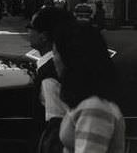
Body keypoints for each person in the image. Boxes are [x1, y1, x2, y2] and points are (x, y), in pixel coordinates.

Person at [53, 21, 125, 153]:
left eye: (55, 53)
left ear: (70, 57)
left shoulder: (94, 108)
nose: (54, 59)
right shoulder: (88, 103)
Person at [27, 6, 75, 152]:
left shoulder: (49, 76)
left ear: (44, 36)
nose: (29, 32)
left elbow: (56, 124)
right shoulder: (62, 62)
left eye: (32, 28)